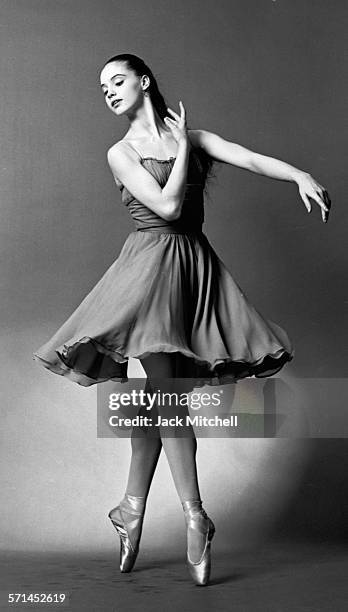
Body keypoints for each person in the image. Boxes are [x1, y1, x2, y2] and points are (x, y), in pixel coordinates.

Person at [33, 53, 331, 586]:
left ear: (144, 81)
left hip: (195, 276)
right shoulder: (120, 152)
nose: (108, 92)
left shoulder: (191, 135)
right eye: (102, 88)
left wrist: (299, 175)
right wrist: (188, 147)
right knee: (169, 397)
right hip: (147, 280)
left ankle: (130, 509)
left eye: (117, 81)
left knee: (159, 400)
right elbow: (169, 211)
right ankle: (197, 516)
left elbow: (249, 157)